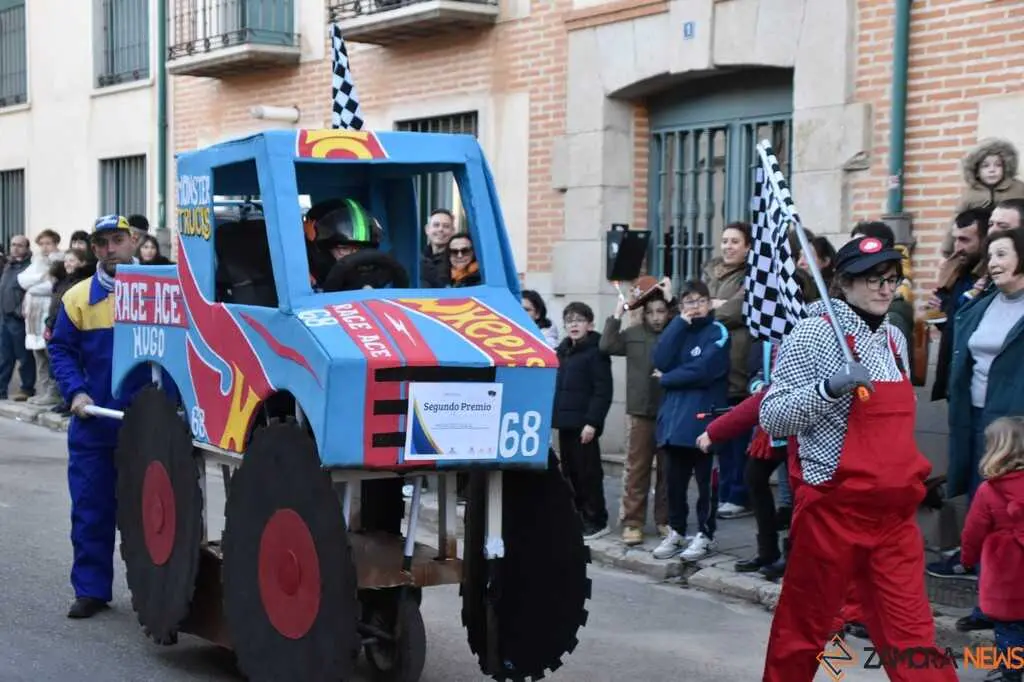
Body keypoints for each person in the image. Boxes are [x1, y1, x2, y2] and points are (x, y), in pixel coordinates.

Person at [758, 236, 956, 682]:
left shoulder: (894, 339)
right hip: (832, 509)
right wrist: (827, 389)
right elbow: (773, 417)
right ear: (843, 283)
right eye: (873, 280)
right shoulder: (811, 334)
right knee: (805, 632)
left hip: (892, 518)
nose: (885, 289)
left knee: (913, 635)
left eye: (892, 279)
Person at [48, 215, 164, 619]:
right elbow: (60, 350)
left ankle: (158, 596)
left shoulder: (162, 292)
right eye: (102, 243)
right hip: (95, 422)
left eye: (118, 240)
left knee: (156, 515)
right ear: (93, 249)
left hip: (150, 425)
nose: (110, 248)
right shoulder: (78, 297)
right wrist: (75, 392)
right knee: (91, 509)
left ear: (135, 241)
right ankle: (92, 590)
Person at [943, 227, 1024, 632]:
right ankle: (987, 605)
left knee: (1012, 522)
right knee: (983, 511)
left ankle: (1008, 615)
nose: (993, 262)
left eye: (1002, 254)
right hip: (975, 419)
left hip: (1015, 424)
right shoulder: (982, 304)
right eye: (990, 255)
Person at [651, 280, 730, 562]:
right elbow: (660, 358)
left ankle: (705, 535)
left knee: (706, 484)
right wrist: (678, 324)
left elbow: (705, 369)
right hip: (673, 420)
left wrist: (668, 379)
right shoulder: (679, 330)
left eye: (699, 301)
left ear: (709, 304)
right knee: (674, 484)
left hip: (703, 420)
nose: (694, 308)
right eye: (688, 302)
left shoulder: (717, 331)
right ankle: (676, 531)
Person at [600, 279, 672, 545]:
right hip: (640, 412)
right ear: (642, 313)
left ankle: (666, 520)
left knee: (668, 469)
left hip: (668, 410)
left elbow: (684, 329)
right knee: (637, 469)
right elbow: (606, 345)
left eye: (661, 311)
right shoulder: (633, 334)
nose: (656, 317)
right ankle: (632, 522)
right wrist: (617, 313)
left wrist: (671, 298)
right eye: (651, 312)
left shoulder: (673, 333)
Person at [960, 416, 1024, 682]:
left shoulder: (989, 490)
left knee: (1008, 624)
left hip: (1006, 569)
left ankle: (1010, 672)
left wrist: (967, 558)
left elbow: (973, 531)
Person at [702, 222, 753, 520]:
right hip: (712, 369)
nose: (728, 246)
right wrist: (713, 306)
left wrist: (713, 308)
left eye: (735, 241)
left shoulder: (754, 276)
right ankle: (722, 490)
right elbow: (693, 307)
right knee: (719, 435)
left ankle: (737, 494)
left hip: (739, 367)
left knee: (737, 438)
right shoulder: (710, 273)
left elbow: (739, 310)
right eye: (725, 241)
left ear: (747, 247)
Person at [552, 301, 613, 540]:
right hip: (566, 423)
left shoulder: (596, 352)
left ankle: (596, 520)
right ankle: (578, 517)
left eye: (579, 320)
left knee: (588, 474)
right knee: (570, 473)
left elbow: (603, 391)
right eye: (569, 320)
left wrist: (593, 422)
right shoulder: (563, 351)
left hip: (584, 425)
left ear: (590, 324)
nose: (574, 325)